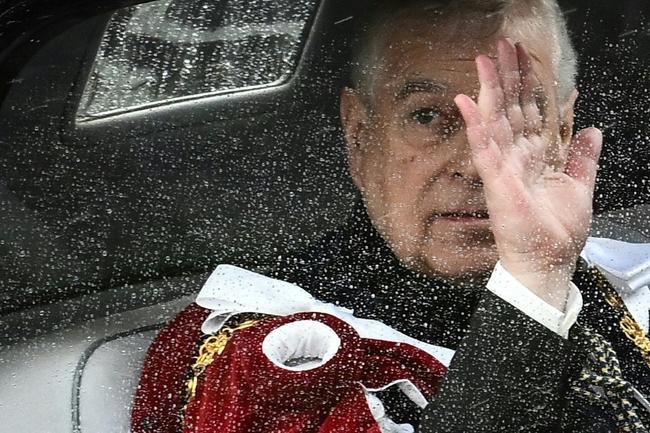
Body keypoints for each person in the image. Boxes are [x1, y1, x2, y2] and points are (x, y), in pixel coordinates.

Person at [132, 0, 650, 431]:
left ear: (563, 131)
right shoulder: (256, 357)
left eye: (514, 116)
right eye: (427, 116)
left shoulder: (631, 281)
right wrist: (532, 281)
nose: (477, 165)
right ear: (360, 136)